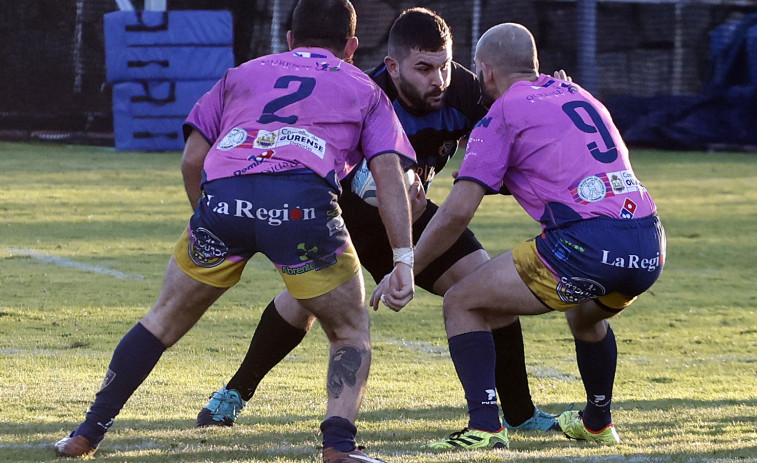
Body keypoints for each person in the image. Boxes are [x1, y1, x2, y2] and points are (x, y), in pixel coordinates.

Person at [53, 1, 415, 462]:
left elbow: (191, 160)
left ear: (288, 39)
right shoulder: (365, 87)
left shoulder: (240, 74)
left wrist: (211, 221)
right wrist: (403, 259)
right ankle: (338, 449)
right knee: (348, 329)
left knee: (161, 320)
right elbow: (387, 174)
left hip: (224, 198)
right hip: (302, 208)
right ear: (351, 46)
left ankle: (86, 433)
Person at [195, 7, 558, 443]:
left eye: (443, 65)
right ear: (392, 66)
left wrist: (554, 94)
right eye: (423, 68)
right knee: (302, 303)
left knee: (489, 293)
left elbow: (517, 117)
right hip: (347, 218)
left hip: (415, 219)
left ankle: (519, 412)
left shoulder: (466, 89)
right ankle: (233, 393)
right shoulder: (363, 93)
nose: (437, 79)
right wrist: (383, 178)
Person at [372, 22, 666, 449]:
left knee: (462, 301)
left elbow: (456, 213)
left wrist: (407, 263)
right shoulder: (579, 94)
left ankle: (485, 427)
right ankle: (598, 421)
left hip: (588, 243)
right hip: (648, 242)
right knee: (584, 315)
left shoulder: (503, 112)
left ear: (486, 72)